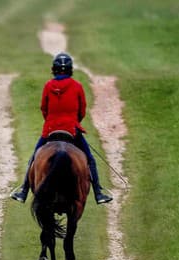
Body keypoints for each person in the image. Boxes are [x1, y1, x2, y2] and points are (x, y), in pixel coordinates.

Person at [10, 52, 113, 205]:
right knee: (90, 160)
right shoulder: (77, 86)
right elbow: (82, 110)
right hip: (71, 130)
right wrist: (73, 122)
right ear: (70, 69)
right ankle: (98, 192)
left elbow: (43, 108)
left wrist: (52, 122)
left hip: (51, 129)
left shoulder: (48, 86)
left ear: (54, 69)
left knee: (34, 158)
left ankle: (24, 190)